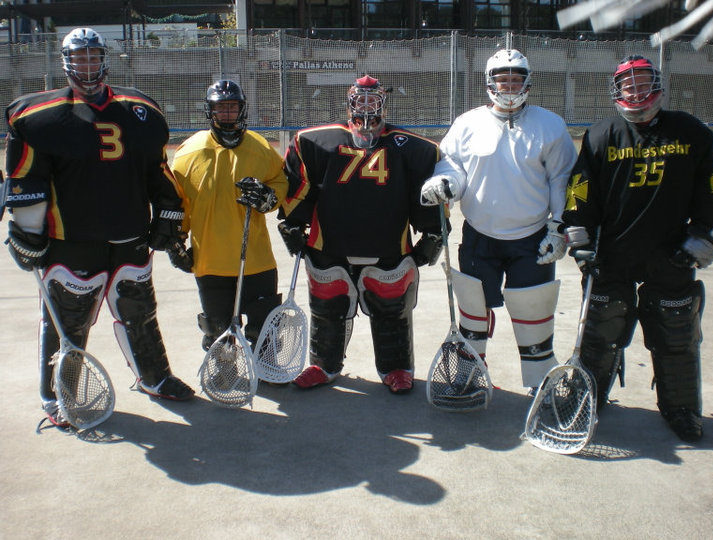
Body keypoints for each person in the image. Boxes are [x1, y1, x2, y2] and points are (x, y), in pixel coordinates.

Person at [2, 27, 195, 428]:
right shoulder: (37, 115)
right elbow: (25, 179)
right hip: (72, 238)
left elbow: (156, 171)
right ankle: (56, 396)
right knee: (66, 321)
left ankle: (154, 377)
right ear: (66, 62)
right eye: (80, 58)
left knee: (140, 312)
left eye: (93, 57)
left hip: (129, 233)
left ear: (104, 59)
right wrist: (26, 231)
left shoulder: (141, 109)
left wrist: (169, 213)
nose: (87, 66)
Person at [561, 55, 713, 442]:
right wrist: (579, 239)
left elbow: (711, 190)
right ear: (616, 91)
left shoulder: (692, 132)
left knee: (677, 335)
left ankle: (681, 409)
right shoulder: (601, 134)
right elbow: (582, 190)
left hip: (670, 254)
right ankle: (588, 398)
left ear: (658, 84)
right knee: (601, 332)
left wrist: (704, 236)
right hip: (613, 254)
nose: (637, 90)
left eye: (643, 81)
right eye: (628, 84)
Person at [420, 49, 577, 394]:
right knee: (473, 312)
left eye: (515, 78)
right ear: (489, 82)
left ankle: (540, 382)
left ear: (527, 81)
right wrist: (445, 184)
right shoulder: (467, 123)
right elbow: (452, 167)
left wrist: (558, 227)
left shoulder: (550, 124)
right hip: (480, 236)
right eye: (502, 79)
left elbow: (561, 179)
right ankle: (470, 373)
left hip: (533, 238)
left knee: (533, 315)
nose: (509, 85)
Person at [278, 74, 446, 393]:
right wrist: (290, 222)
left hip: (388, 243)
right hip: (329, 242)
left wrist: (434, 233)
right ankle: (323, 364)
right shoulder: (314, 141)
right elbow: (299, 186)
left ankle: (396, 368)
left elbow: (425, 194)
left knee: (392, 306)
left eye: (373, 100)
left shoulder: (414, 147)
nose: (367, 106)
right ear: (349, 101)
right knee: (327, 303)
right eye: (361, 99)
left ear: (384, 102)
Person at [170, 79, 288, 352]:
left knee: (265, 326)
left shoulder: (259, 147)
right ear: (209, 111)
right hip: (210, 260)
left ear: (242, 110)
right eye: (220, 108)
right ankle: (225, 370)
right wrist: (175, 240)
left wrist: (269, 197)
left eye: (232, 107)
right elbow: (180, 203)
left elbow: (281, 181)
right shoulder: (189, 152)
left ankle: (267, 367)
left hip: (256, 260)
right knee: (218, 330)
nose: (226, 113)